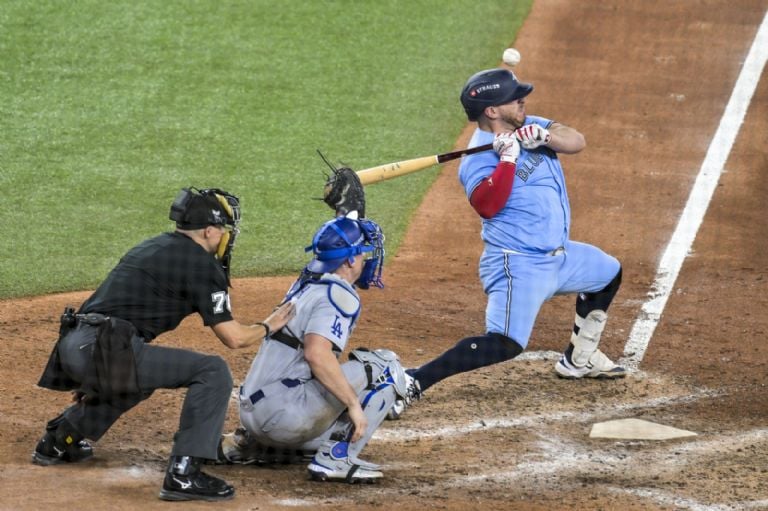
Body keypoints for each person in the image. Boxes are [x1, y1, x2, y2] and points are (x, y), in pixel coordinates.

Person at [389, 68, 625, 419]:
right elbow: (488, 205)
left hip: (559, 257)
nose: (522, 100)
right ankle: (412, 382)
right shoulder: (476, 161)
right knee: (505, 342)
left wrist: (546, 136)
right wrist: (509, 159)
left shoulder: (529, 124)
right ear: (492, 111)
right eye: (514, 97)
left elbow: (576, 140)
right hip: (519, 264)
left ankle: (580, 358)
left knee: (608, 272)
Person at [33, 187, 295, 502]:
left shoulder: (152, 246)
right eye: (222, 230)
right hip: (103, 348)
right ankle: (184, 473)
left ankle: (61, 438)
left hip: (75, 343)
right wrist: (268, 325)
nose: (225, 238)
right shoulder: (200, 263)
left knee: (137, 380)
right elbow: (234, 338)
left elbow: (105, 302)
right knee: (213, 371)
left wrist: (93, 369)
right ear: (208, 230)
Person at [217, 215, 414, 483]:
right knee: (385, 366)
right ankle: (337, 457)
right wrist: (353, 404)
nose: (368, 259)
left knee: (308, 374)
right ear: (351, 259)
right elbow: (316, 354)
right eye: (364, 253)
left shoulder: (307, 283)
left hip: (255, 414)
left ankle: (251, 444)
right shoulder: (337, 295)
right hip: (281, 418)